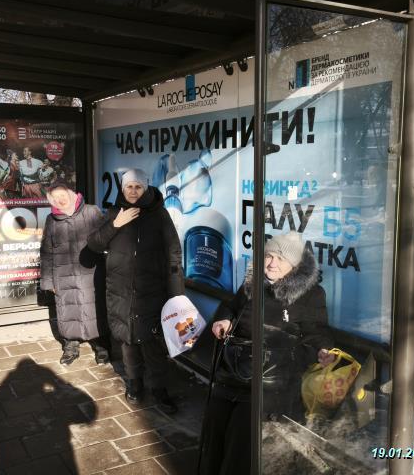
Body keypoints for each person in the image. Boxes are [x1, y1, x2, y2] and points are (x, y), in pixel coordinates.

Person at [198, 231, 335, 475]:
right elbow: (231, 306)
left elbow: (316, 331)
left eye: (280, 259)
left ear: (294, 266)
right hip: (234, 368)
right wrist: (225, 319)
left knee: (240, 440)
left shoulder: (311, 294)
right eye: (269, 256)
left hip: (270, 379)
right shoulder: (253, 281)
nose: (271, 263)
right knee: (214, 428)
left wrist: (322, 349)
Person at [88, 168, 184, 414]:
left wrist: (176, 294)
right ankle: (134, 383)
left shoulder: (159, 214)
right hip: (120, 292)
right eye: (129, 186)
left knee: (152, 345)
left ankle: (159, 389)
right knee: (128, 341)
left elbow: (174, 252)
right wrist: (115, 225)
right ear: (122, 189)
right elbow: (94, 245)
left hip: (151, 291)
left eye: (138, 186)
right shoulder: (114, 213)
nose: (133, 191)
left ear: (146, 188)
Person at [40, 180, 110, 366]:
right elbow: (46, 251)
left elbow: (106, 239)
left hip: (92, 272)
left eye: (62, 195)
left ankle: (101, 346)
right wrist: (48, 281)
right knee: (67, 310)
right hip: (63, 275)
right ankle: (70, 346)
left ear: (70, 193)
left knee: (96, 308)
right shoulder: (51, 220)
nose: (60, 200)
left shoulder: (91, 211)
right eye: (55, 198)